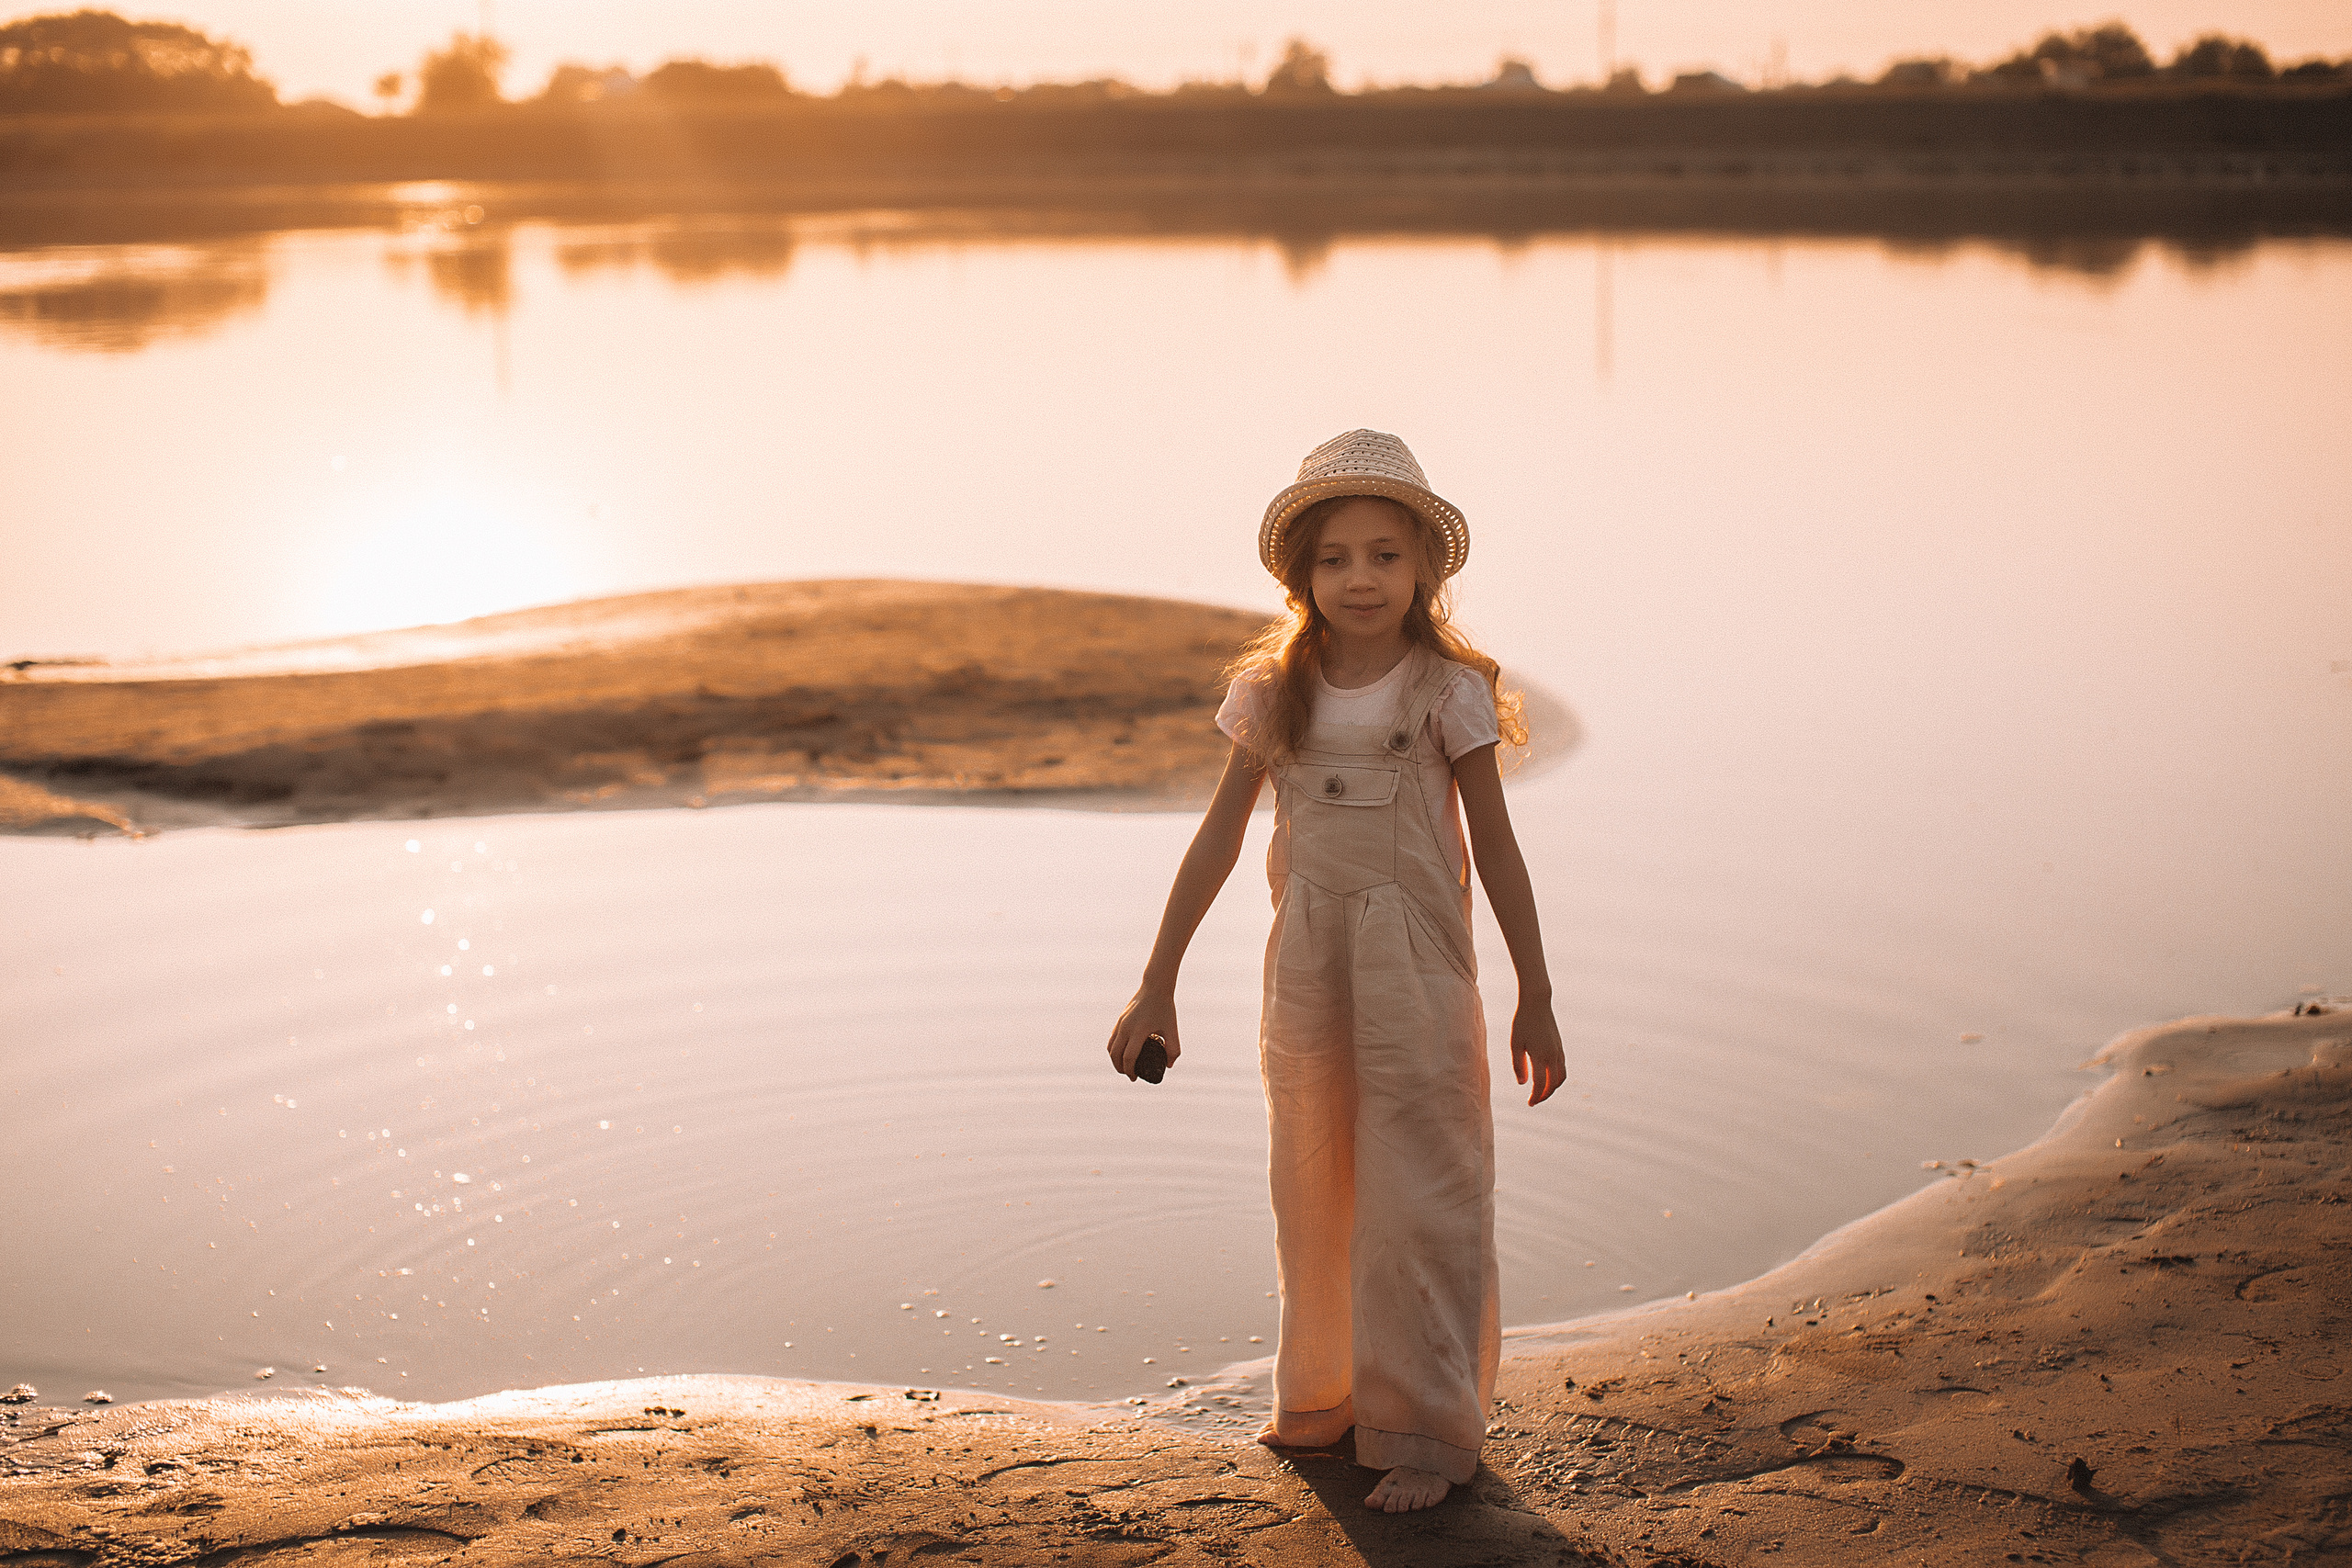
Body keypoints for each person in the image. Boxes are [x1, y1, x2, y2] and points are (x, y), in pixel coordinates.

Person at [1107, 429, 1566, 1513]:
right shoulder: (1275, 692)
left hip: (1415, 964)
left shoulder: (1448, 692)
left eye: (1385, 555)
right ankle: (1323, 1400)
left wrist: (1535, 993)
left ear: (1425, 571)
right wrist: (1157, 980)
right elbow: (1218, 839)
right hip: (1308, 963)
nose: (1360, 578)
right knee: (1310, 1171)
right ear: (1300, 576)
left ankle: (1425, 1428)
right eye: (1335, 558)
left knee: (1422, 1186)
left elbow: (1495, 849)